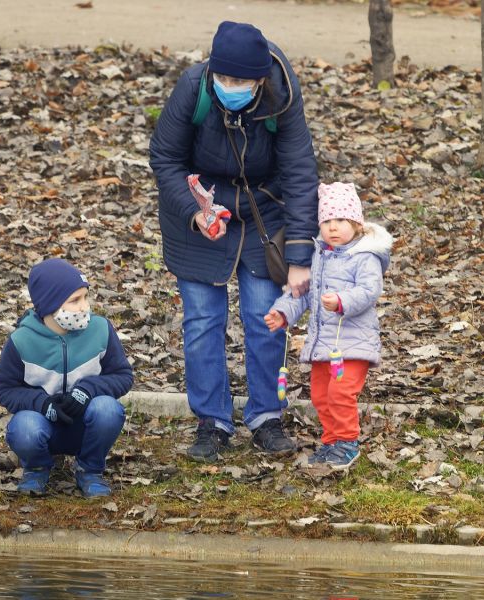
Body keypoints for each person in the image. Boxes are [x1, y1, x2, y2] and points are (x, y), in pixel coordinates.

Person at [149, 21, 320, 462]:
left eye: (240, 81)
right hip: (202, 208)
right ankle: (212, 421)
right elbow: (165, 157)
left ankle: (267, 416)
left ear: (260, 79)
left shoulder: (282, 96)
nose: (229, 87)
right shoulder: (194, 87)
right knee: (203, 322)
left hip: (265, 211)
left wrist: (300, 256)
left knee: (266, 318)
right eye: (223, 79)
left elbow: (300, 173)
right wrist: (195, 212)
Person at [263, 182, 393, 469]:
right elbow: (303, 294)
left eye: (341, 220)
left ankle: (347, 443)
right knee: (321, 395)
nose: (333, 227)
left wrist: (343, 300)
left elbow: (370, 290)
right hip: (324, 344)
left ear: (357, 224)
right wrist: (283, 313)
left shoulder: (365, 255)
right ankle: (331, 441)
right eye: (327, 221)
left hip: (353, 343)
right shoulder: (319, 256)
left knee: (340, 393)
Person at [0, 258, 133, 496]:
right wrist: (42, 403)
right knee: (23, 427)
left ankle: (90, 469)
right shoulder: (21, 341)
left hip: (88, 426)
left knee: (108, 410)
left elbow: (123, 375)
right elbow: (3, 389)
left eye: (86, 297)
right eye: (74, 300)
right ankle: (37, 467)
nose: (84, 307)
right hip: (43, 426)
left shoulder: (100, 330)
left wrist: (88, 390)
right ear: (49, 305)